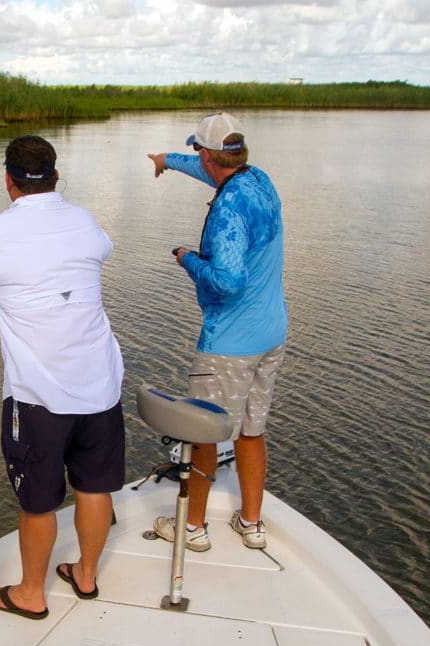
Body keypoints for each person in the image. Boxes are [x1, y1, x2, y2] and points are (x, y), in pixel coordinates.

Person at [0, 135, 126, 619]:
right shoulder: (86, 222)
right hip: (100, 385)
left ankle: (31, 594)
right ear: (57, 177)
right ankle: (86, 574)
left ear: (8, 181)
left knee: (37, 502)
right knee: (94, 487)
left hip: (36, 398)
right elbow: (99, 255)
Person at [146, 112, 288, 551]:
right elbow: (207, 171)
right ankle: (250, 522)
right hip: (271, 333)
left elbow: (227, 280)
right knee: (251, 430)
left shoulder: (229, 207)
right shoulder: (257, 181)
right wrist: (166, 159)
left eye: (196, 152)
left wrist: (186, 257)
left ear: (208, 155)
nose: (197, 160)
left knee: (203, 432)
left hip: (229, 343)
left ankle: (192, 528)